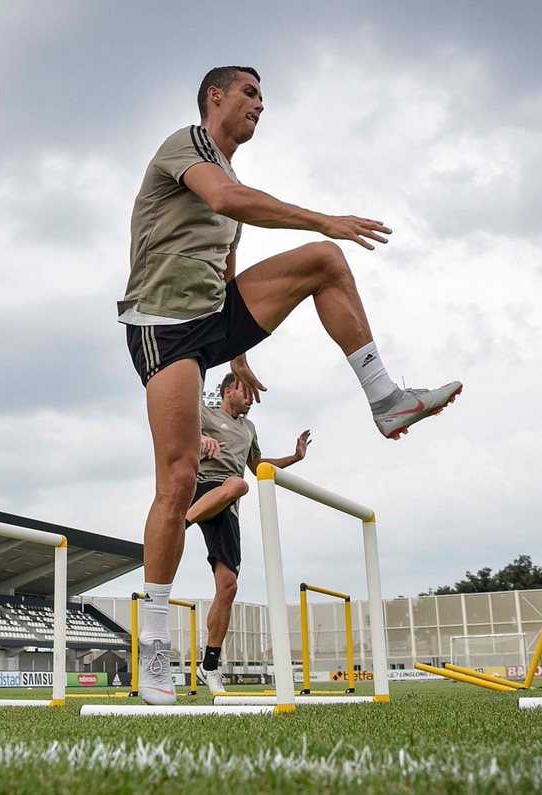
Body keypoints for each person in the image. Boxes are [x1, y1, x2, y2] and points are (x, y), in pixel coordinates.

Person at [119, 66, 461, 705]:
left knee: (325, 263)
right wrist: (321, 217)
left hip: (212, 317)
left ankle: (386, 399)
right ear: (215, 97)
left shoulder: (235, 183)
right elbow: (221, 199)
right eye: (249, 93)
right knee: (177, 478)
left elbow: (226, 264)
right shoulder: (186, 147)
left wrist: (240, 353)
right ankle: (158, 649)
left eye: (263, 97)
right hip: (162, 325)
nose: (260, 104)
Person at [187, 373, 310, 695]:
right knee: (238, 484)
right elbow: (179, 430)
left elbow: (258, 466)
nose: (251, 400)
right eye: (247, 393)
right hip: (199, 485)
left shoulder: (249, 429)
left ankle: (209, 665)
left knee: (228, 586)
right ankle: (180, 522)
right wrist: (201, 440)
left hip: (225, 505)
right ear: (229, 391)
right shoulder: (205, 412)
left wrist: (294, 457)